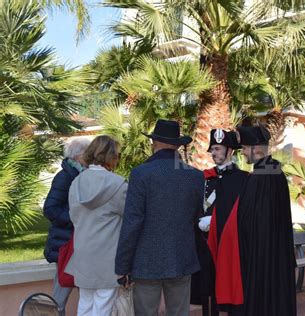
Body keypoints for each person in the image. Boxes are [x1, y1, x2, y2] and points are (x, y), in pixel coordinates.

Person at [115, 119, 204, 316]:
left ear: (154, 143)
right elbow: (197, 215)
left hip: (147, 260)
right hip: (182, 257)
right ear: (178, 145)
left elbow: (132, 222)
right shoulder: (195, 176)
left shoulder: (141, 174)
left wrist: (123, 265)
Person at [209, 124, 296, 316]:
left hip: (258, 258)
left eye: (245, 149)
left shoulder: (260, 177)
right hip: (273, 255)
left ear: (256, 148)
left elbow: (248, 221)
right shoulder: (275, 172)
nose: (243, 154)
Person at [65, 135, 128, 316]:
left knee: (85, 304)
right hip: (108, 257)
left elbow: (72, 216)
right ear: (112, 156)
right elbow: (130, 218)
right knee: (104, 306)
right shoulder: (118, 185)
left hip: (83, 253)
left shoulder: (76, 183)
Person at [191, 129, 248, 316]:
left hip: (230, 244)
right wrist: (199, 219)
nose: (213, 153)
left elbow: (243, 214)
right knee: (206, 288)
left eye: (217, 149)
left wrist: (215, 221)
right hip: (205, 243)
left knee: (229, 287)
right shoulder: (204, 177)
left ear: (230, 150)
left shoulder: (243, 179)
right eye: (212, 149)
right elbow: (195, 206)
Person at [43, 137, 91, 315]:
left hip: (81, 244)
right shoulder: (65, 176)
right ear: (79, 156)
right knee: (59, 297)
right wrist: (77, 218)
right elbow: (50, 209)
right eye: (89, 153)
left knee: (86, 295)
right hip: (66, 244)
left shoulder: (84, 175)